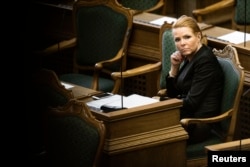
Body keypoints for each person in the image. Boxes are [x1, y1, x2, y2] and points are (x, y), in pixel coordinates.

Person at [166, 15, 224, 143]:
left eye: (187, 37)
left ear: (198, 36)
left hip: (197, 124)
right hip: (184, 115)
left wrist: (164, 104)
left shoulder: (205, 60)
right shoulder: (190, 56)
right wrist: (174, 68)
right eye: (177, 39)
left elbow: (192, 103)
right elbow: (173, 93)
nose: (182, 43)